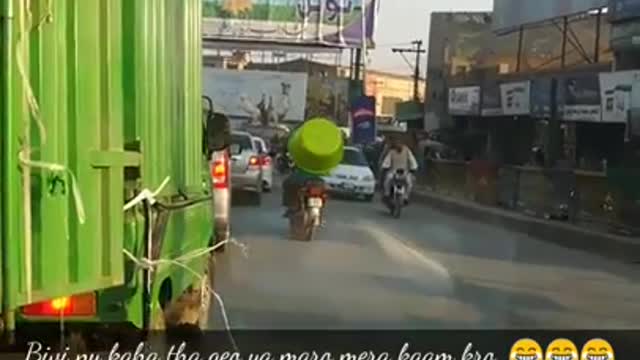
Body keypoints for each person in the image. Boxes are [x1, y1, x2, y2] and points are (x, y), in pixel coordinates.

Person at [380, 135, 419, 205]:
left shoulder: (407, 151)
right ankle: (387, 194)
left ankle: (406, 197)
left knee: (409, 183)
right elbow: (387, 161)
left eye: (400, 143)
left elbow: (412, 160)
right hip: (393, 171)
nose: (399, 145)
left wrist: (414, 168)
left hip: (405, 172)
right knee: (388, 179)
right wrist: (385, 167)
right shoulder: (392, 152)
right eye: (397, 144)